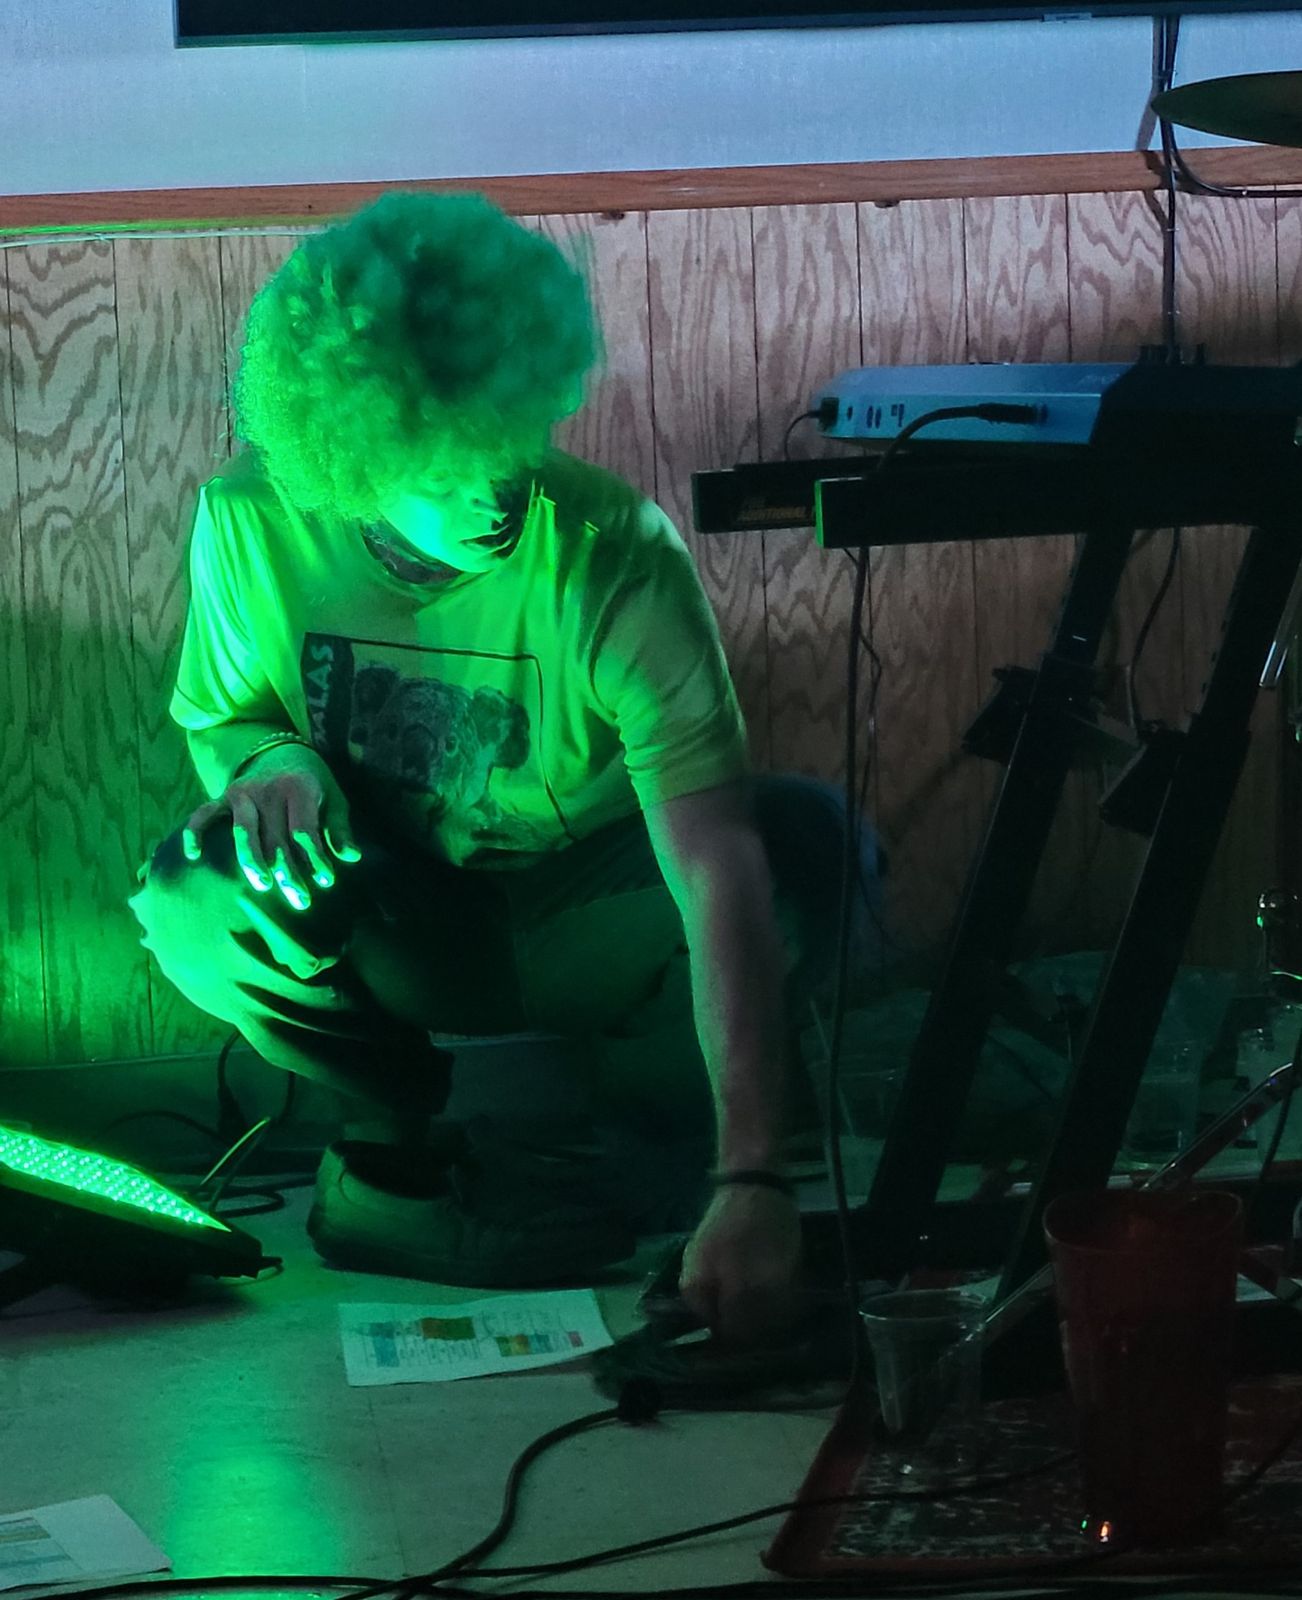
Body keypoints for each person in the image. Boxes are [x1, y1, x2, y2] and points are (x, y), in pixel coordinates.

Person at [128, 190, 882, 1348]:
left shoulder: (612, 553)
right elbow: (227, 714)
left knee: (808, 845)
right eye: (445, 473)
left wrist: (755, 1177)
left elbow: (715, 866)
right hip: (393, 913)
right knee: (192, 886)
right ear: (352, 459)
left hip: (584, 916)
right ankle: (393, 1151)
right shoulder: (249, 521)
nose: (493, 499)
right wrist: (274, 760)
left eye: (508, 447)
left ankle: (660, 1148)